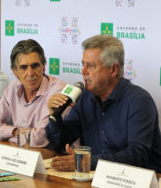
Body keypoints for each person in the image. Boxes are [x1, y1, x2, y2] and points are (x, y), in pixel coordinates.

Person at [46, 34, 161, 173]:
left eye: (91, 66)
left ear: (113, 69)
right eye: (83, 64)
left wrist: (87, 162)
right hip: (95, 177)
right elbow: (59, 144)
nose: (83, 71)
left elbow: (137, 156)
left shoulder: (139, 101)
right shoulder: (84, 98)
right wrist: (55, 117)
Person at [0, 39, 67, 147]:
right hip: (23, 153)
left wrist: (6, 134)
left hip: (56, 156)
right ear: (15, 72)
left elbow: (39, 138)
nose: (30, 73)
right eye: (23, 67)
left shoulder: (58, 91)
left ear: (43, 67)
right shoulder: (12, 88)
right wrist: (15, 132)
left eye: (35, 66)